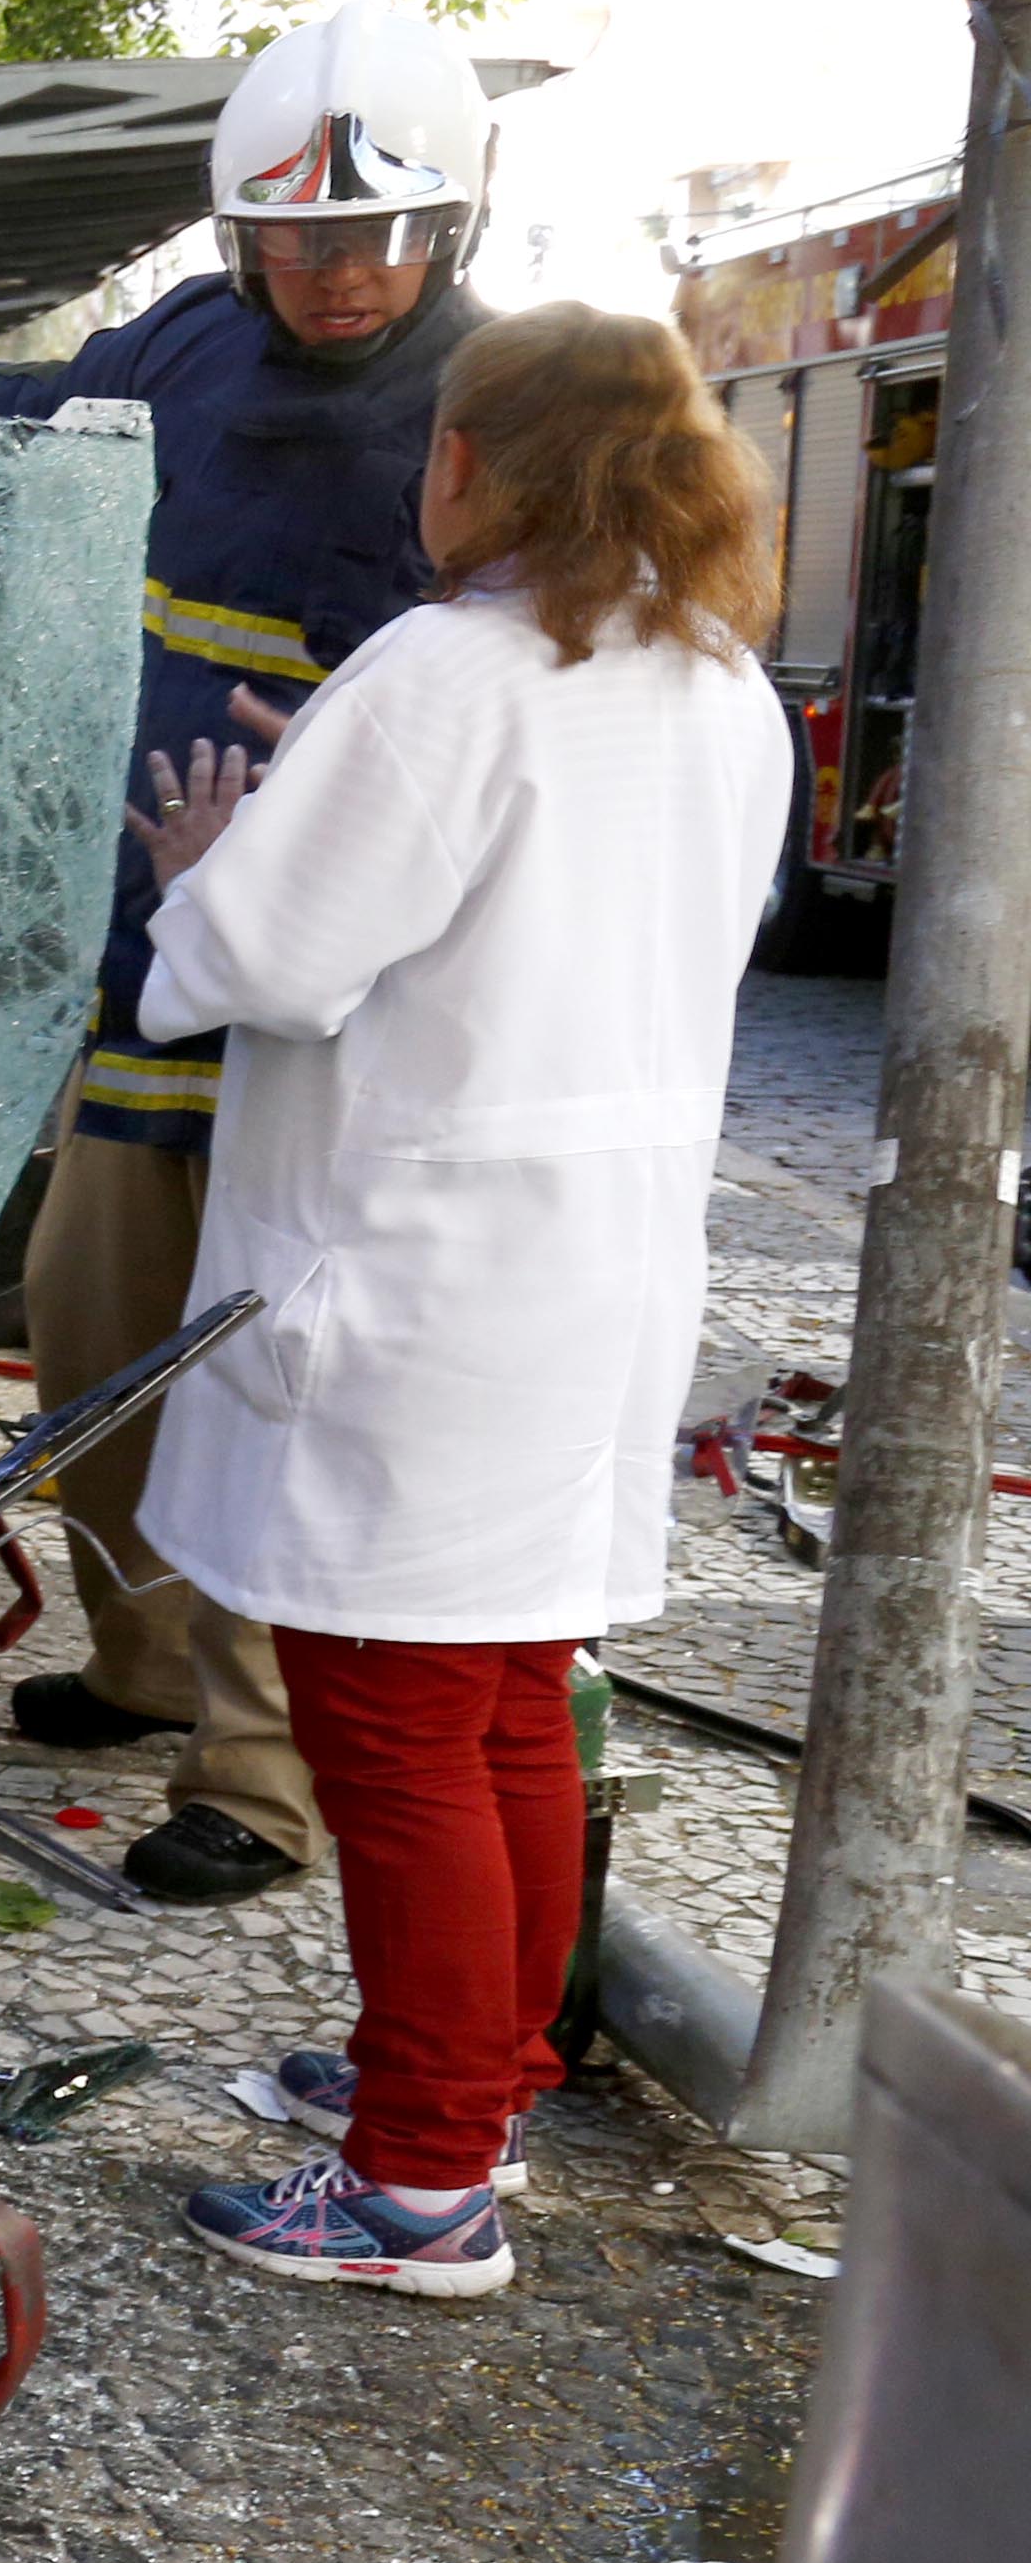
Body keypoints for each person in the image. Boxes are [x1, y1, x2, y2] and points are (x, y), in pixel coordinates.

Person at [136, 307, 782, 2300]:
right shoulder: (722, 684)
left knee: (400, 1726)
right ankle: (470, 2071)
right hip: (586, 1280)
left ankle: (423, 2182)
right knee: (502, 1698)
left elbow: (267, 953)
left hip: (419, 1277)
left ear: (478, 466)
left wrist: (213, 849)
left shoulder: (451, 673)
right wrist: (313, 801)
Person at [0, 0, 497, 1911]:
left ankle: (260, 1768)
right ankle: (143, 1669)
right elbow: (47, 411)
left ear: (448, 229)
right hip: (151, 949)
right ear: (242, 237)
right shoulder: (197, 345)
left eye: (380, 236)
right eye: (302, 237)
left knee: (266, 1386)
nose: (340, 271)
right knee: (98, 1332)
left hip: (332, 992)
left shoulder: (492, 403)